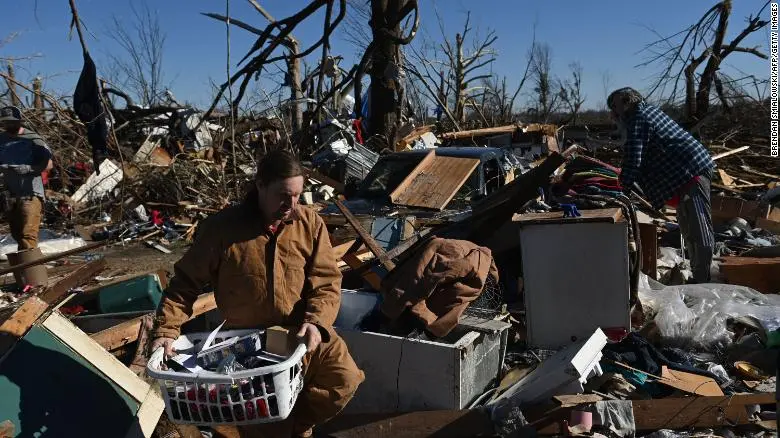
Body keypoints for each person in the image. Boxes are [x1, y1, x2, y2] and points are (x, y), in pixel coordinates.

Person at [151, 149, 364, 437]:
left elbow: (326, 280)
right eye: (283, 195)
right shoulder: (222, 230)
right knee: (266, 423)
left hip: (302, 333)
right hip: (252, 347)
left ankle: (297, 427)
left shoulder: (309, 224)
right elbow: (184, 284)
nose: (291, 204)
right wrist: (166, 330)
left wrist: (317, 321)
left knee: (345, 379)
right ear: (260, 186)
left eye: (298, 195)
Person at [607, 87, 715, 283]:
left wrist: (620, 193)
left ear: (627, 102)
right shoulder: (646, 112)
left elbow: (633, 157)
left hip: (691, 173)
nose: (613, 114)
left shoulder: (637, 117)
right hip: (684, 176)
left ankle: (703, 281)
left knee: (699, 232)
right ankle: (698, 277)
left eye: (614, 106)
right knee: (688, 230)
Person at [0, 105, 53, 250]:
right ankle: (23, 267)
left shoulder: (33, 139)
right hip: (11, 194)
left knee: (28, 234)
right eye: (6, 122)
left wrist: (30, 168)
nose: (9, 125)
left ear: (19, 121)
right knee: (17, 234)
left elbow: (49, 164)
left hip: (31, 194)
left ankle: (31, 270)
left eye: (12, 121)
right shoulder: (1, 140)